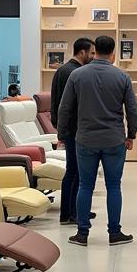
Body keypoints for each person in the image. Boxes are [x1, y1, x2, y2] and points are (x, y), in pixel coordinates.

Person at [56, 35, 137, 246]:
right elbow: (132, 110)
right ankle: (115, 233)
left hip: (85, 139)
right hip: (114, 140)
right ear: (113, 53)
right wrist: (131, 135)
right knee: (113, 186)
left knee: (85, 185)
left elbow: (65, 108)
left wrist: (62, 134)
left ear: (95, 51)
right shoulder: (122, 76)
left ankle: (82, 233)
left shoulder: (77, 75)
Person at [51, 37, 94, 225]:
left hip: (68, 127)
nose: (93, 56)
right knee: (75, 172)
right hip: (74, 128)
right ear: (82, 52)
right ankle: (70, 214)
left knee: (74, 171)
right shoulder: (75, 73)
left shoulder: (62, 70)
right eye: (91, 52)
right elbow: (68, 105)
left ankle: (74, 210)